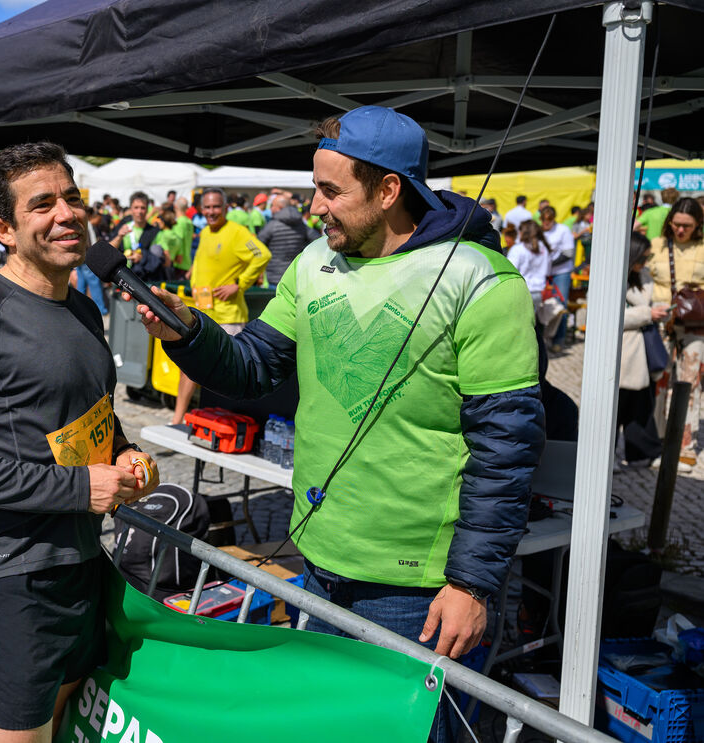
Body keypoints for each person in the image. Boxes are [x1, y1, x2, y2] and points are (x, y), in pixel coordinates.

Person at [134, 107, 543, 742]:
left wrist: (472, 583)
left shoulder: (484, 283)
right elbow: (254, 369)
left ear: (388, 190)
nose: (314, 207)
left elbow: (506, 451)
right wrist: (186, 333)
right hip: (318, 561)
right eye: (313, 187)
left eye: (331, 191)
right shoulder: (313, 264)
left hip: (420, 588)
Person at [0, 142, 157, 743]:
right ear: (2, 229)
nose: (66, 214)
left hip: (81, 566)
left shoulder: (80, 306)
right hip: (9, 578)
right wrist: (80, 487)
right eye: (42, 204)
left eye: (71, 197)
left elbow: (89, 416)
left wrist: (120, 452)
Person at [171, 187, 270, 426]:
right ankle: (177, 419)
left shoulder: (237, 232)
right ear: (201, 209)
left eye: (216, 207)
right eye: (207, 207)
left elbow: (262, 255)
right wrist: (194, 275)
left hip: (228, 316)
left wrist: (239, 284)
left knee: (223, 374)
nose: (212, 211)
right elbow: (203, 261)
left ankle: (216, 422)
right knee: (188, 367)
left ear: (225, 208)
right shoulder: (205, 232)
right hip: (202, 312)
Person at [647, 197, 704, 471]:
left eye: (688, 226)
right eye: (677, 224)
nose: (681, 230)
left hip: (694, 323)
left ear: (698, 226)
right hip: (661, 320)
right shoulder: (656, 245)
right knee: (659, 381)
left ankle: (685, 444)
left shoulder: (703, 247)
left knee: (690, 383)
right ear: (670, 222)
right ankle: (657, 441)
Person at [619, 233, 666, 467]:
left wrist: (656, 310)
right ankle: (608, 455)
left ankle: (642, 452)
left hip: (642, 352)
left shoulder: (644, 277)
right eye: (642, 257)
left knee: (640, 406)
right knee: (616, 407)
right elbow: (609, 317)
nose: (645, 262)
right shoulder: (614, 279)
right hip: (623, 353)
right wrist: (647, 314)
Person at [258, 193, 321, 286]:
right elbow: (318, 241)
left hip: (274, 277)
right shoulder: (301, 225)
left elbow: (257, 245)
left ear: (279, 207)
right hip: (296, 275)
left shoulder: (272, 225)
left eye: (272, 206)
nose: (270, 209)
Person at [541, 205, 576, 351]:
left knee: (560, 305)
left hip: (561, 272)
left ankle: (559, 339)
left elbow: (568, 254)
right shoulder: (539, 231)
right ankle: (544, 337)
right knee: (544, 305)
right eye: (543, 220)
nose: (546, 223)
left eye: (548, 221)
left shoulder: (563, 230)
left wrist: (548, 263)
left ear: (554, 219)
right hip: (543, 273)